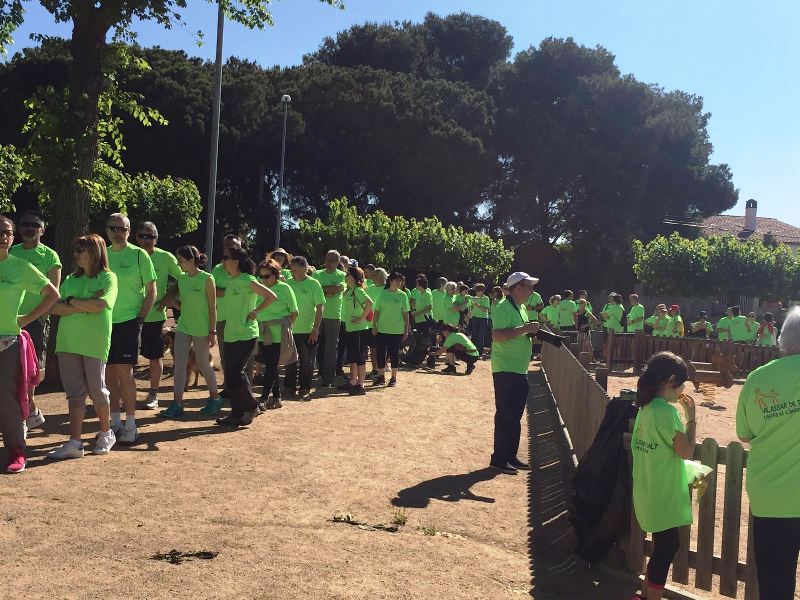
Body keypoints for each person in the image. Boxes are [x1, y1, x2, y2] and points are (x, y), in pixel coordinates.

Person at [736, 306, 800, 599]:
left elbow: (745, 432)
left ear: (782, 339)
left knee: (775, 584)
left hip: (771, 497)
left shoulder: (758, 379)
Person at [631, 352, 696, 600]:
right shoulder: (668, 413)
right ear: (670, 380)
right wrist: (692, 419)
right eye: (680, 385)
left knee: (662, 546)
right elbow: (686, 452)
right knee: (667, 547)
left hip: (647, 489)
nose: (681, 391)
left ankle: (646, 595)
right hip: (663, 494)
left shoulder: (645, 407)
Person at [47, 234, 118, 458]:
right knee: (75, 394)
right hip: (68, 343)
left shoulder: (108, 278)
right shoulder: (71, 279)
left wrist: (71, 301)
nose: (76, 254)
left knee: (98, 391)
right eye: (76, 250)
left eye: (81, 250)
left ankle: (106, 433)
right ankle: (75, 443)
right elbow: (54, 308)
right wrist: (81, 304)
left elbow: (100, 305)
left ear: (94, 253)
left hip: (94, 343)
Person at [0, 214, 59, 473]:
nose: (3, 236)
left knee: (8, 398)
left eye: (7, 233)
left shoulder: (20, 266)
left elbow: (52, 294)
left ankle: (16, 450)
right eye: (0, 231)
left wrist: (26, 319)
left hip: (7, 341)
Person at [105, 213, 156, 445]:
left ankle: (131, 425)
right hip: (104, 322)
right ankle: (114, 422)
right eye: (113, 228)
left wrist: (140, 318)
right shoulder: (102, 253)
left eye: (122, 229)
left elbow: (151, 290)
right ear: (107, 230)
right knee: (108, 374)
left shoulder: (139, 254)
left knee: (125, 373)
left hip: (128, 322)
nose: (117, 232)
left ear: (128, 231)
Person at [10, 209, 61, 433]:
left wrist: (38, 317)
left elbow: (54, 291)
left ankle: (27, 411)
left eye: (34, 224)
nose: (29, 228)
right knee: (11, 369)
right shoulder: (11, 252)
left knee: (30, 370)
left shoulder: (50, 256)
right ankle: (25, 411)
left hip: (35, 321)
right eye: (24, 224)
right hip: (9, 319)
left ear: (42, 229)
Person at [215, 247, 276, 427]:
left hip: (246, 334)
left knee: (235, 372)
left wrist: (256, 311)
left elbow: (271, 296)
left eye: (226, 258)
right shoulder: (230, 280)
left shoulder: (248, 280)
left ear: (236, 261)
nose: (223, 261)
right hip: (230, 333)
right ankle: (236, 414)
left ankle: (251, 406)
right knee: (231, 374)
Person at [159, 245, 220, 418]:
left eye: (181, 261)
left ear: (192, 260)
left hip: (201, 329)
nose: (179, 265)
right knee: (179, 365)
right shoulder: (183, 280)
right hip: (184, 327)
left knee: (203, 364)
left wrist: (212, 331)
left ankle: (215, 398)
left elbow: (212, 307)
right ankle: (177, 403)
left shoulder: (207, 279)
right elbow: (182, 303)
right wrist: (174, 305)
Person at [489, 272, 539, 474]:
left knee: (515, 416)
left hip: (518, 369)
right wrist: (525, 329)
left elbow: (519, 332)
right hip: (506, 369)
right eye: (529, 287)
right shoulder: (502, 307)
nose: (531, 291)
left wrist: (531, 334)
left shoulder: (521, 307)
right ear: (517, 288)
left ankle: (510, 456)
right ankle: (499, 459)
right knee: (505, 415)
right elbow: (497, 336)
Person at [135, 221, 182, 409]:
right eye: (143, 236)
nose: (147, 240)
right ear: (136, 237)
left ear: (157, 238)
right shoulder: (129, 254)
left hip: (154, 317)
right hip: (127, 316)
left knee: (155, 356)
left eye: (151, 236)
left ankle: (153, 394)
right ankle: (123, 395)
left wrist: (170, 296)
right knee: (125, 360)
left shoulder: (166, 257)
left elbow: (184, 277)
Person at [255, 258, 297, 410]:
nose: (264, 279)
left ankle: (264, 398)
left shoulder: (285, 288)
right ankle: (277, 398)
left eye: (267, 276)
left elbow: (294, 312)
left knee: (271, 366)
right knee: (270, 365)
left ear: (276, 274)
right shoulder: (259, 287)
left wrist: (287, 328)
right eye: (261, 276)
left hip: (279, 333)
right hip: (262, 333)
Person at [285, 256, 324, 400]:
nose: (293, 273)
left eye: (295, 270)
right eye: (291, 270)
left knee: (306, 362)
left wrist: (315, 329)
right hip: (290, 329)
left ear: (304, 268)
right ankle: (289, 388)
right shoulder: (287, 284)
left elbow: (320, 308)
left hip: (308, 330)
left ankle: (305, 388)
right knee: (290, 361)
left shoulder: (314, 284)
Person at [314, 250, 347, 388]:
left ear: (338, 262)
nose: (329, 262)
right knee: (316, 346)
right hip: (316, 314)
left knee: (331, 348)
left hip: (334, 316)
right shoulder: (317, 274)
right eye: (328, 259)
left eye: (333, 260)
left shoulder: (343, 275)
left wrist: (324, 290)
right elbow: (319, 291)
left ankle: (328, 378)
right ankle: (319, 372)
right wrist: (329, 290)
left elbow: (336, 290)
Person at [371, 271, 410, 387]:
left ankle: (393, 378)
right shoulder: (382, 294)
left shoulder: (403, 295)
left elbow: (406, 314)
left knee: (394, 354)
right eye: (397, 280)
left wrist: (406, 329)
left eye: (401, 281)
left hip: (397, 330)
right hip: (382, 329)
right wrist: (374, 325)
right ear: (390, 281)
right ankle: (381, 376)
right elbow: (376, 311)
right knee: (381, 353)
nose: (399, 282)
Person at [340, 266, 372, 395]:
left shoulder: (358, 290)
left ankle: (361, 385)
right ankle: (353, 382)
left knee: (359, 357)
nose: (346, 276)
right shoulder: (349, 291)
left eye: (349, 274)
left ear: (355, 277)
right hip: (350, 328)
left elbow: (369, 303)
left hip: (359, 329)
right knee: (352, 356)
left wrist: (361, 318)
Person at [366, 268, 388, 379]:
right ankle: (375, 370)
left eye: (374, 276)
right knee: (373, 348)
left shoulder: (388, 289)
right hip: (371, 324)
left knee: (383, 349)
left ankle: (381, 370)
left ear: (380, 277)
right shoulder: (369, 289)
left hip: (385, 324)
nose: (372, 278)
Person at [470, 283, 491, 356]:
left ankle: (479, 352)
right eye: (476, 290)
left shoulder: (486, 298)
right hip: (474, 318)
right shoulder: (473, 298)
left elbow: (485, 310)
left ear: (483, 291)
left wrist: (477, 305)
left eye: (479, 290)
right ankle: (473, 351)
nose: (477, 292)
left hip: (483, 318)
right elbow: (470, 307)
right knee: (474, 334)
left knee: (480, 335)